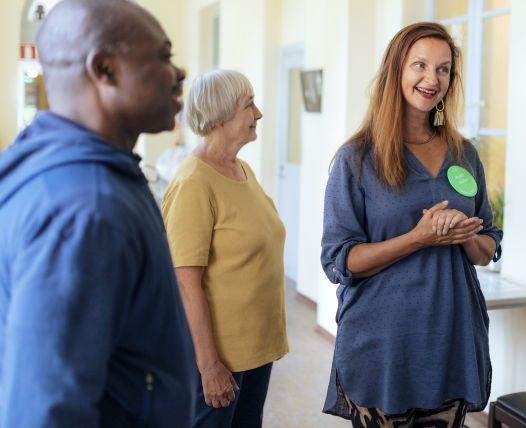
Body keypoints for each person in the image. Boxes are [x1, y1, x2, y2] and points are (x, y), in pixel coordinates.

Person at [0, 0, 196, 426]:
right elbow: (45, 412)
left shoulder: (61, 162)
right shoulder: (85, 210)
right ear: (104, 70)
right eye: (163, 57)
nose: (179, 74)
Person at [321, 22, 503, 427]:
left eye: (443, 69)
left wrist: (465, 234)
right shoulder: (356, 159)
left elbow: (488, 245)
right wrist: (418, 238)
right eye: (419, 65)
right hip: (384, 343)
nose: (431, 78)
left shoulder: (464, 153)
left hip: (452, 337)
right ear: (396, 72)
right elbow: (340, 261)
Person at [162, 69, 288, 428]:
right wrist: (209, 365)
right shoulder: (194, 183)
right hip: (220, 359)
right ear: (218, 116)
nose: (258, 114)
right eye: (249, 105)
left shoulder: (241, 170)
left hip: (256, 349)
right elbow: (185, 284)